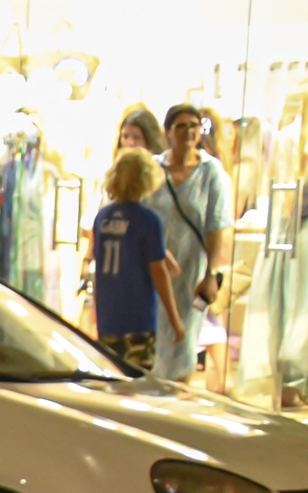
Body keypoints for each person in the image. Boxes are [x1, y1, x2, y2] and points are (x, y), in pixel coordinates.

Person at [145, 102, 234, 383]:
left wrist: (210, 274)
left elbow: (215, 225)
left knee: (184, 340)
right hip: (155, 264)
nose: (188, 133)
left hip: (191, 267)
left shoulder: (211, 172)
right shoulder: (155, 169)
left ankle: (178, 397)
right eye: (180, 127)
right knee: (154, 339)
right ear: (168, 132)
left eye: (193, 127)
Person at [89, 149, 185, 376]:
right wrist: (175, 320)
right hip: (137, 319)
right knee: (135, 380)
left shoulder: (102, 217)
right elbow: (159, 270)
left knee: (112, 377)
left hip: (108, 317)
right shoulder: (148, 219)